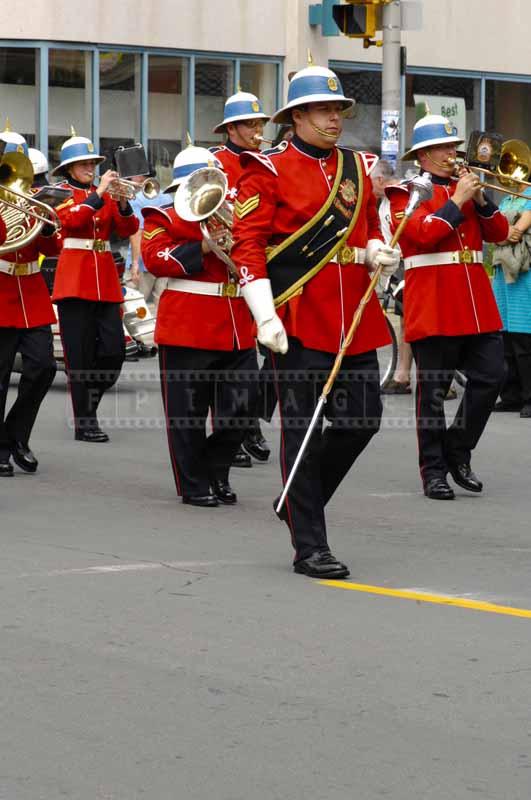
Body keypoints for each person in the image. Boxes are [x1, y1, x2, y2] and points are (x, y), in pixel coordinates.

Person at [231, 63, 400, 578]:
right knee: (301, 430)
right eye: (324, 110)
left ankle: (297, 499)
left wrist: (375, 251)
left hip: (353, 314)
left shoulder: (356, 165)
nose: (335, 118)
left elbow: (367, 224)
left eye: (339, 109)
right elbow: (249, 245)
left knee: (362, 421)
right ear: (298, 116)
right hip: (298, 315)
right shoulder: (268, 167)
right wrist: (264, 313)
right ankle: (310, 545)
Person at [386, 114, 509, 500]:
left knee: (492, 377)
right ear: (422, 154)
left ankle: (458, 450)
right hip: (434, 302)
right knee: (433, 394)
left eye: (453, 147)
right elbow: (422, 236)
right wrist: (457, 201)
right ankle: (434, 471)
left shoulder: (467, 187)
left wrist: (482, 200)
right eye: (442, 148)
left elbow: (501, 233)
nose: (451, 154)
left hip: (475, 303)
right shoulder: (406, 193)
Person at [141, 144, 258, 507]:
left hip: (236, 322)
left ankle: (215, 467)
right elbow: (155, 258)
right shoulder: (162, 215)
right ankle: (194, 483)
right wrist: (204, 249)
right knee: (187, 413)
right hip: (187, 324)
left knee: (245, 404)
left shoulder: (235, 212)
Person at [50, 131, 139, 442]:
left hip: (105, 281)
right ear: (69, 169)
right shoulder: (59, 193)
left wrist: (124, 202)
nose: (90, 167)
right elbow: (71, 223)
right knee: (79, 356)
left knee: (114, 352)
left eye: (92, 162)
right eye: (83, 163)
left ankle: (89, 406)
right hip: (74, 281)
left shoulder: (107, 194)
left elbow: (128, 228)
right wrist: (99, 194)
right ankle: (85, 420)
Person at [210, 91, 271, 466]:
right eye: (250, 124)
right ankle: (237, 432)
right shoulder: (213, 163)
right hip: (224, 270)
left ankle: (248, 422)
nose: (257, 130)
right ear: (231, 128)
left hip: (261, 269)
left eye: (260, 123)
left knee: (268, 354)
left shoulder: (266, 163)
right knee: (231, 361)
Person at [0, 130, 60, 477]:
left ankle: (15, 436)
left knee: (43, 368)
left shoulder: (33, 200)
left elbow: (52, 250)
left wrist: (50, 227)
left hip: (32, 294)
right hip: (2, 292)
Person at [491, 186, 531, 418]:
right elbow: (496, 229)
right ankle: (511, 395)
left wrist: (506, 232)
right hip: (503, 271)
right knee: (505, 337)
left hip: (523, 270)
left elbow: (518, 229)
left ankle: (529, 397)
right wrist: (504, 232)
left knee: (524, 337)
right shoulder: (507, 198)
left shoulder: (528, 195)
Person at [126, 170, 172, 311]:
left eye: (132, 174)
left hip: (144, 260)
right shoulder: (167, 197)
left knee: (134, 307)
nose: (129, 177)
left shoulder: (137, 198)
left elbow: (137, 232)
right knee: (163, 309)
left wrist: (134, 264)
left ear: (140, 176)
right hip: (164, 258)